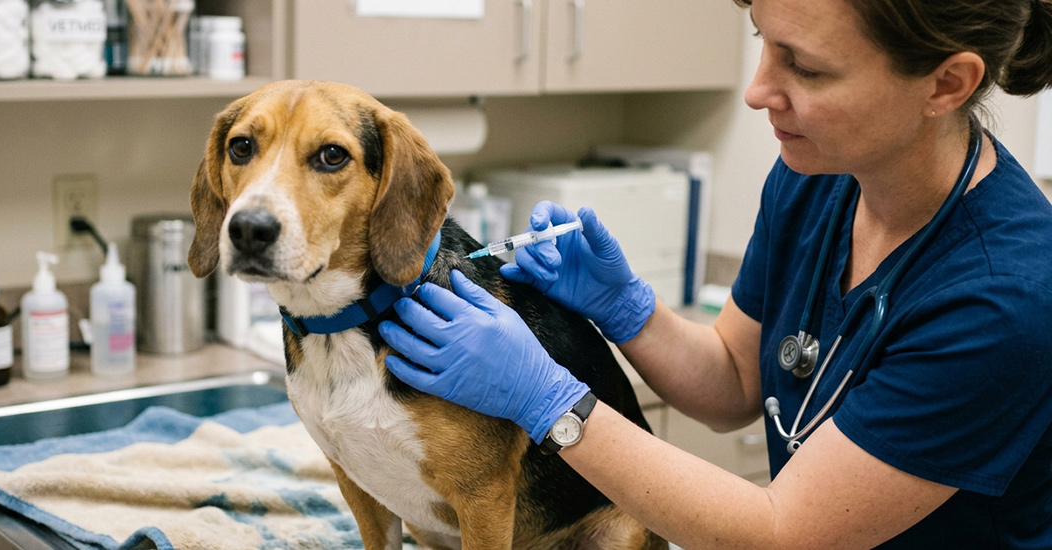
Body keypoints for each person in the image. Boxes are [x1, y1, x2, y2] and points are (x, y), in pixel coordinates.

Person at [376, 0, 1052, 548]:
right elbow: (733, 378)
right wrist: (629, 310)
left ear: (946, 83)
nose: (759, 91)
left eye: (806, 69)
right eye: (762, 37)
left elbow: (783, 532)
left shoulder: (1003, 299)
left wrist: (549, 402)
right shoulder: (817, 179)